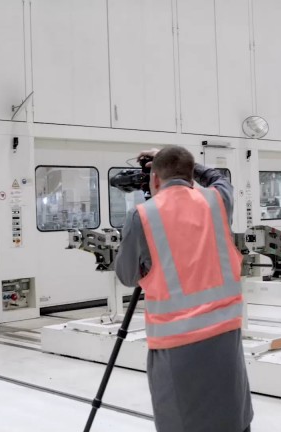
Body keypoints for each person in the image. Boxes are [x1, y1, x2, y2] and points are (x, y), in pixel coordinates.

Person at [115, 146, 253, 432]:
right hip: (226, 337)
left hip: (175, 346)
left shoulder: (142, 215)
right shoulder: (217, 202)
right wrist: (190, 164)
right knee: (232, 417)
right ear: (191, 176)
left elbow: (127, 276)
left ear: (154, 179)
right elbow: (219, 179)